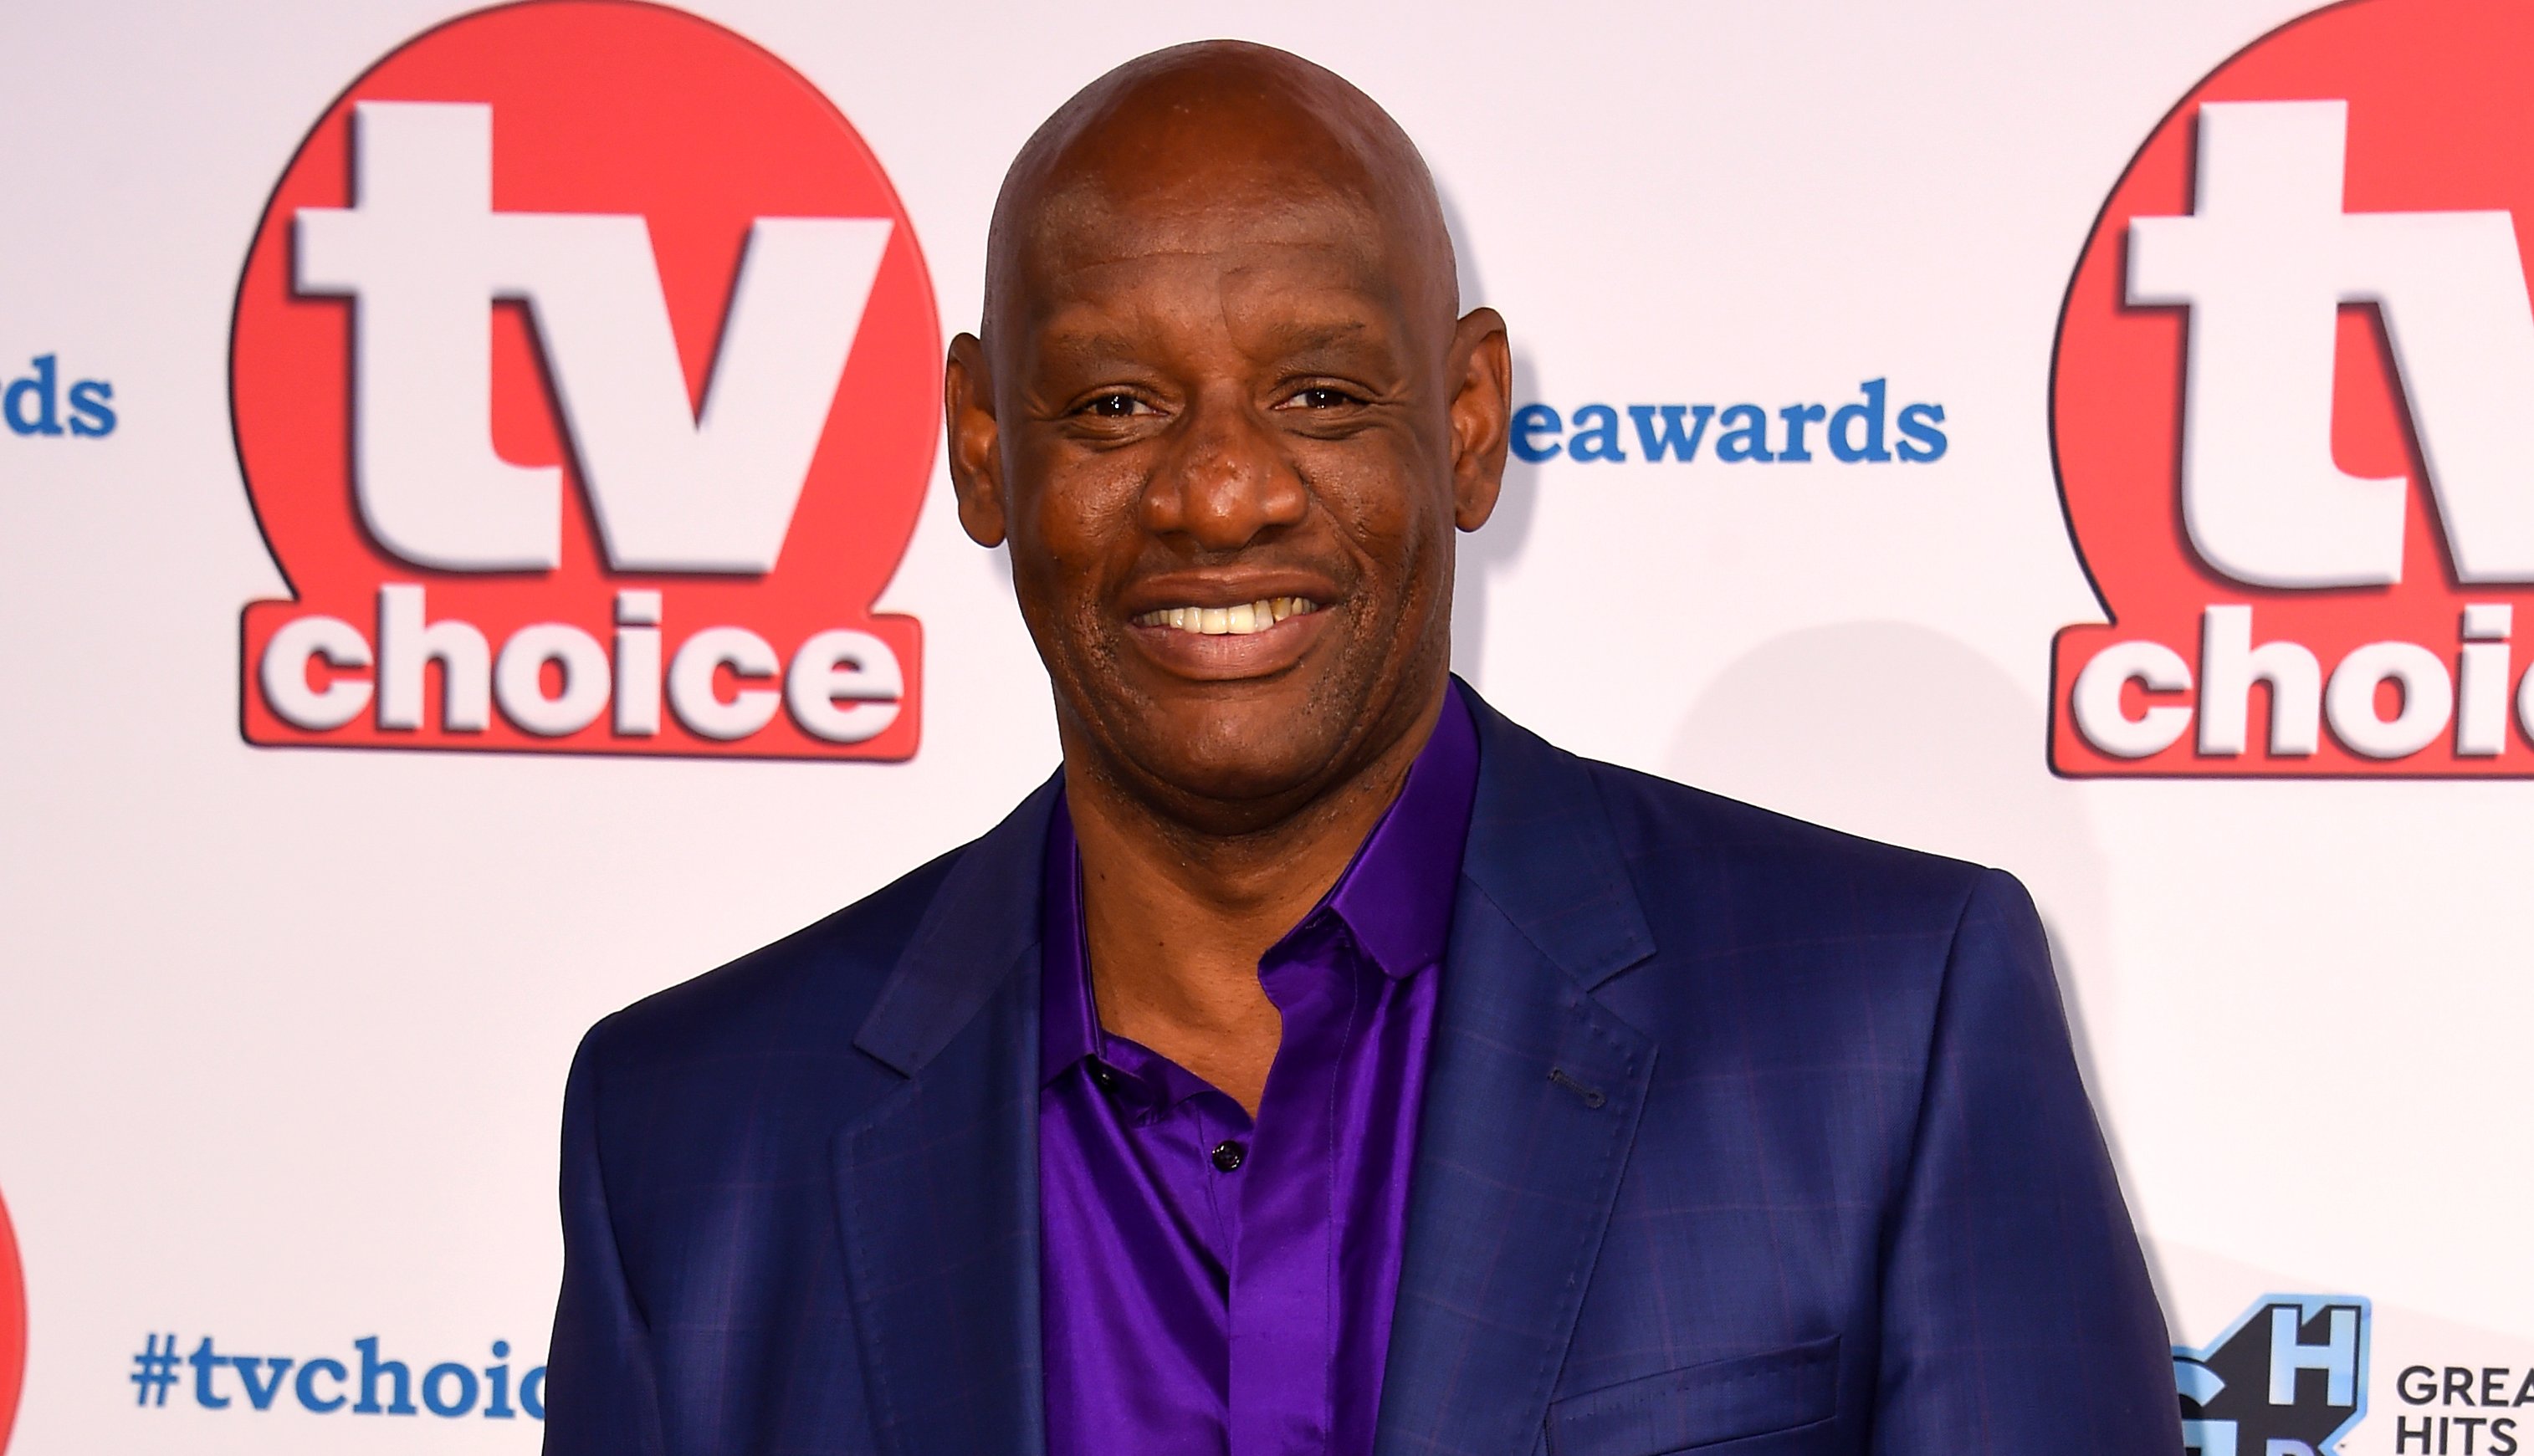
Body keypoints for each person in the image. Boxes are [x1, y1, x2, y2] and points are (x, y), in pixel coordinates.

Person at [543, 40, 2179, 1456]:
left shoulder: (1886, 1023)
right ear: (984, 450)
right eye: (1116, 406)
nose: (1220, 492)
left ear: (1468, 423)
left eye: (1318, 394)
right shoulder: (696, 1141)